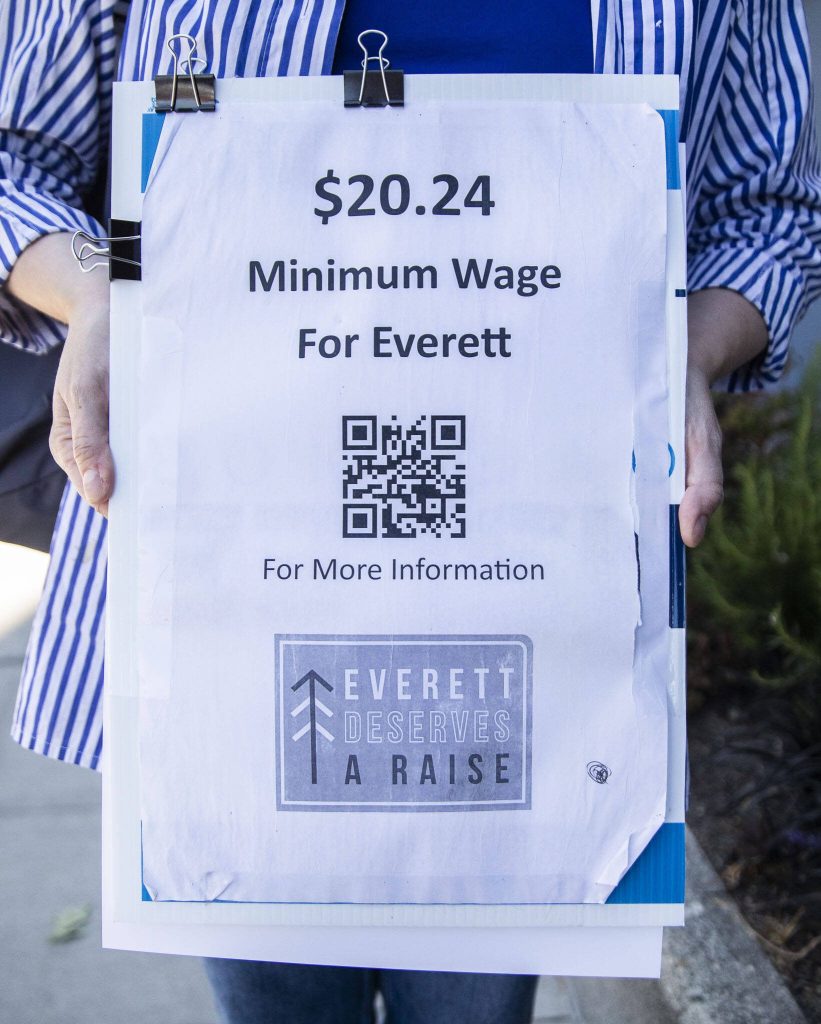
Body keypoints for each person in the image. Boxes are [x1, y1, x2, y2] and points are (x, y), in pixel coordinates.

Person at [2, 2, 820, 1021]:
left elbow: (767, 211)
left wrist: (686, 352)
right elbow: (16, 157)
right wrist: (99, 293)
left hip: (539, 587)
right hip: (223, 576)